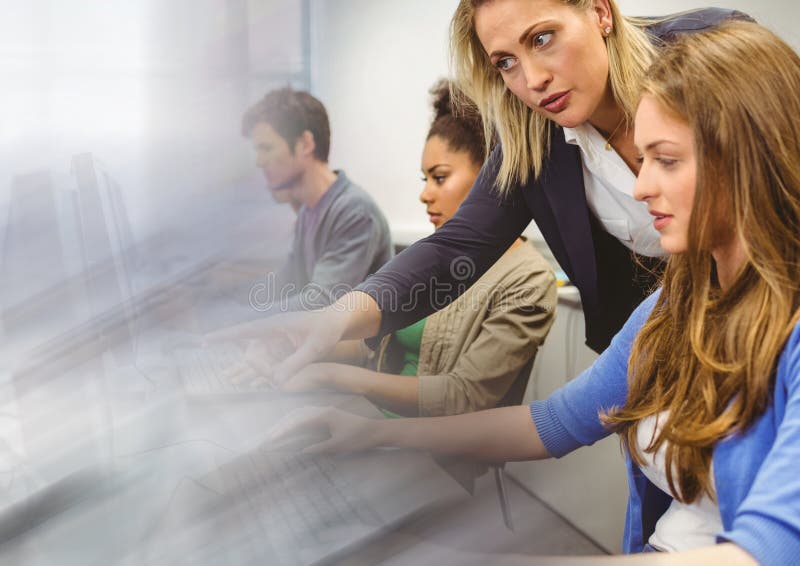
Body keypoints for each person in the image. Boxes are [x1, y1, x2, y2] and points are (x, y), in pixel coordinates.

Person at [268, 21, 800, 564]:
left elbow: (769, 548)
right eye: (641, 160)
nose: (639, 188)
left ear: (747, 156)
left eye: (665, 160)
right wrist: (365, 433)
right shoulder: (675, 303)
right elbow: (550, 422)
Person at [214, 2, 753, 385]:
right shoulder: (532, 133)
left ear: (599, 11)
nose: (533, 79)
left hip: (762, 329)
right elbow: (455, 248)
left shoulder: (709, 50)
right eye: (506, 63)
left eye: (542, 38)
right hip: (652, 357)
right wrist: (336, 316)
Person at [278, 81, 556, 417]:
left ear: (489, 178)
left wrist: (335, 377)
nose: (425, 194)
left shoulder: (528, 279)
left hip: (431, 450)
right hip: (371, 422)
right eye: (425, 180)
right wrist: (294, 348)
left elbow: (463, 396)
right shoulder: (427, 261)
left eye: (439, 178)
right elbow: (370, 352)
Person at [242, 87, 393, 312]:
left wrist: (242, 318)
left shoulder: (355, 211)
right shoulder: (308, 212)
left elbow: (320, 302)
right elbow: (286, 285)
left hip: (357, 347)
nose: (259, 162)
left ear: (305, 144)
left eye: (266, 148)